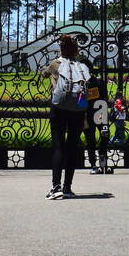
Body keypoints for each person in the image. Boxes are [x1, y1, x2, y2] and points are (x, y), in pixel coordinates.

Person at [40, 34, 88, 199]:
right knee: (72, 147)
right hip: (77, 109)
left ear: (61, 48)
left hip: (59, 108)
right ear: (76, 51)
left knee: (59, 146)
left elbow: (43, 74)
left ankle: (56, 186)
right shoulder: (81, 66)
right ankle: (67, 187)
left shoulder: (55, 64)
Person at [82, 62, 109, 175]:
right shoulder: (80, 85)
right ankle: (93, 165)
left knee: (105, 135)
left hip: (99, 113)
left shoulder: (99, 82)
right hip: (86, 115)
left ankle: (102, 155)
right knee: (90, 141)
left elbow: (104, 99)